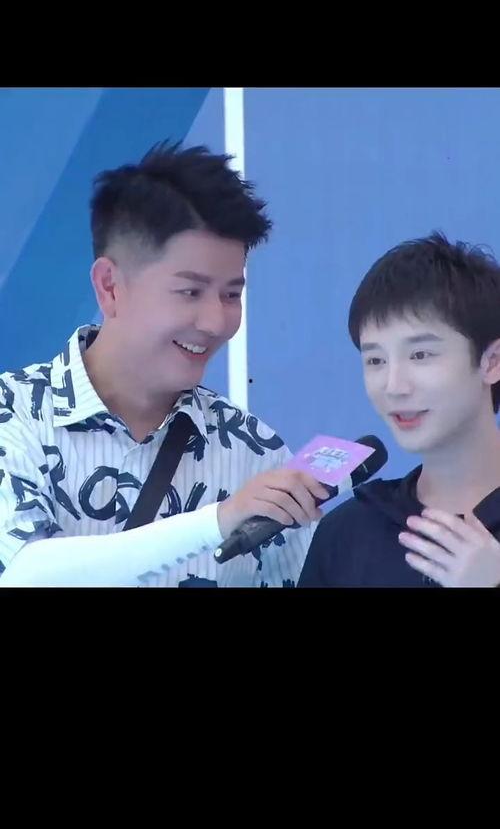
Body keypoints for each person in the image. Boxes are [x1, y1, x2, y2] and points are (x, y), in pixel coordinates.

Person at [0, 140, 327, 587]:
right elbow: (27, 576)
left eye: (231, 294)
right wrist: (217, 521)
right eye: (190, 291)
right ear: (110, 286)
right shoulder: (13, 414)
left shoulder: (256, 454)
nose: (215, 322)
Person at [299, 232, 500, 587]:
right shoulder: (347, 533)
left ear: (492, 361)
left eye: (420, 355)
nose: (394, 386)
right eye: (375, 360)